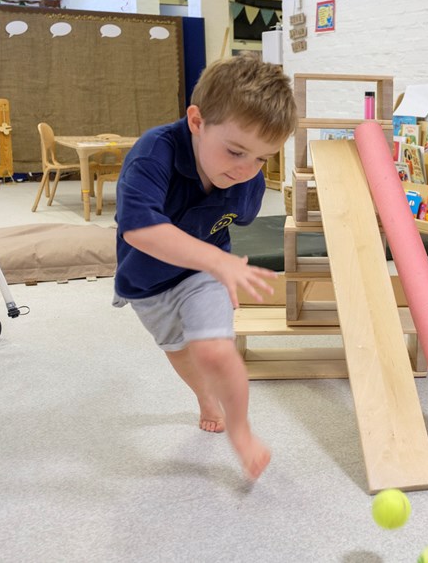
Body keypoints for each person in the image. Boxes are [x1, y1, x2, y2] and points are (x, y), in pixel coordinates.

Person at [112, 53, 297, 479]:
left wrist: (217, 265)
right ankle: (205, 398)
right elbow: (139, 229)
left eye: (262, 159)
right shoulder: (153, 153)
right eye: (235, 151)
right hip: (148, 283)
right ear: (197, 121)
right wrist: (217, 258)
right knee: (179, 351)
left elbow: (231, 218)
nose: (247, 169)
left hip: (203, 275)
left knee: (214, 347)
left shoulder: (246, 180)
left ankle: (242, 430)